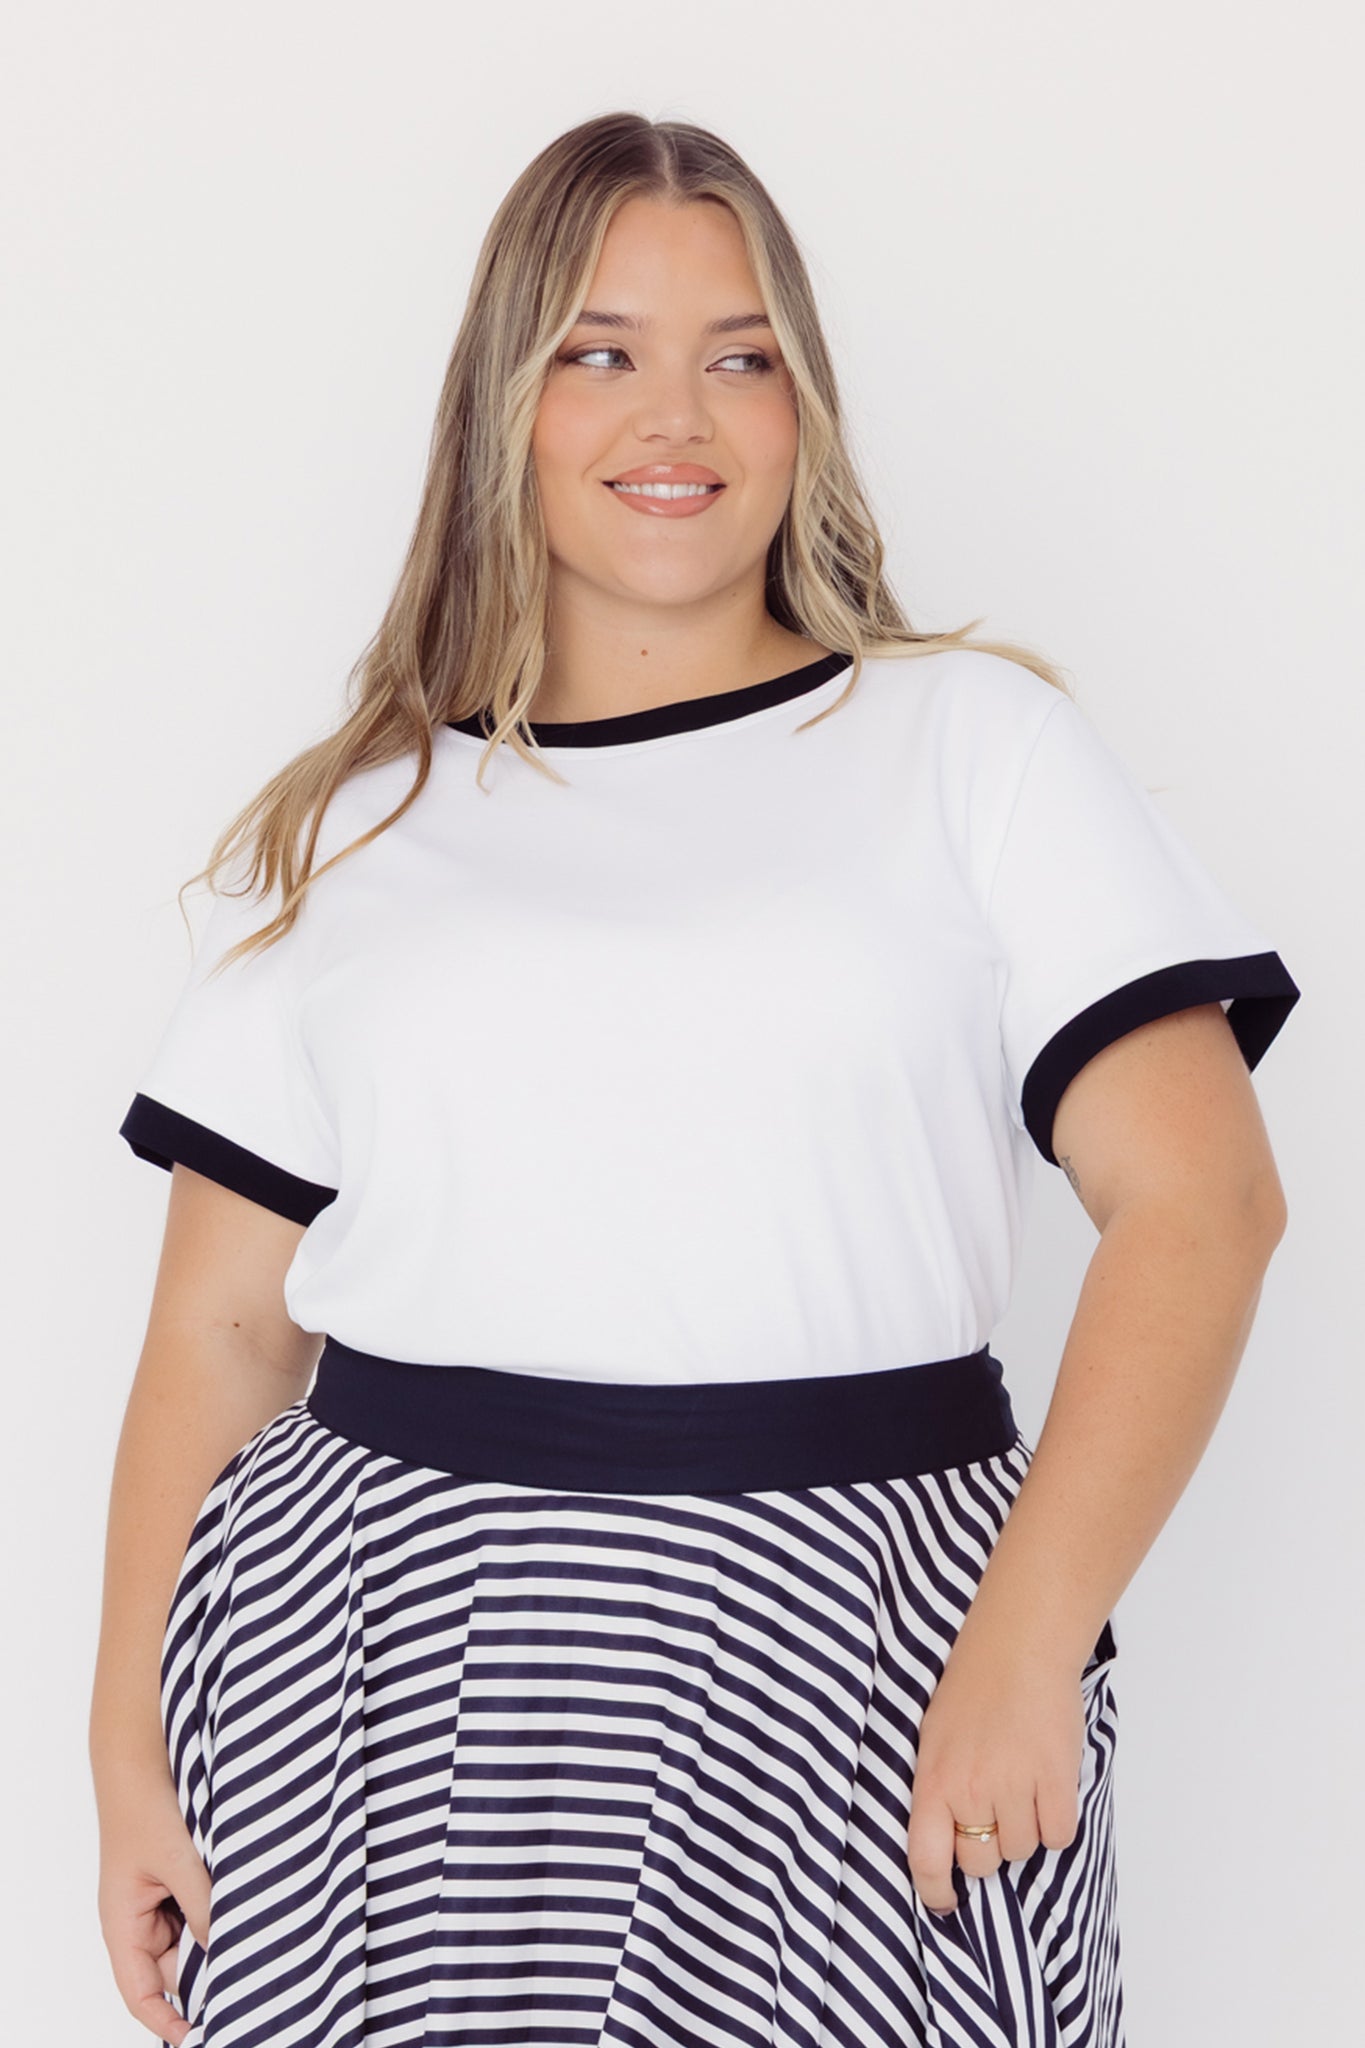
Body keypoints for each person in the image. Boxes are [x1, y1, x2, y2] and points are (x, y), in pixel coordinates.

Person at [89, 111, 1300, 2048]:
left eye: (741, 355)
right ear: (504, 399)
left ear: (802, 408)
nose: (677, 412)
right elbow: (223, 1333)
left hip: (854, 1631)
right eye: (599, 351)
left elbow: (1200, 1204)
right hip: (380, 1661)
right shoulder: (357, 820)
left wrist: (1023, 1630)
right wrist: (126, 1751)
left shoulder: (962, 745)